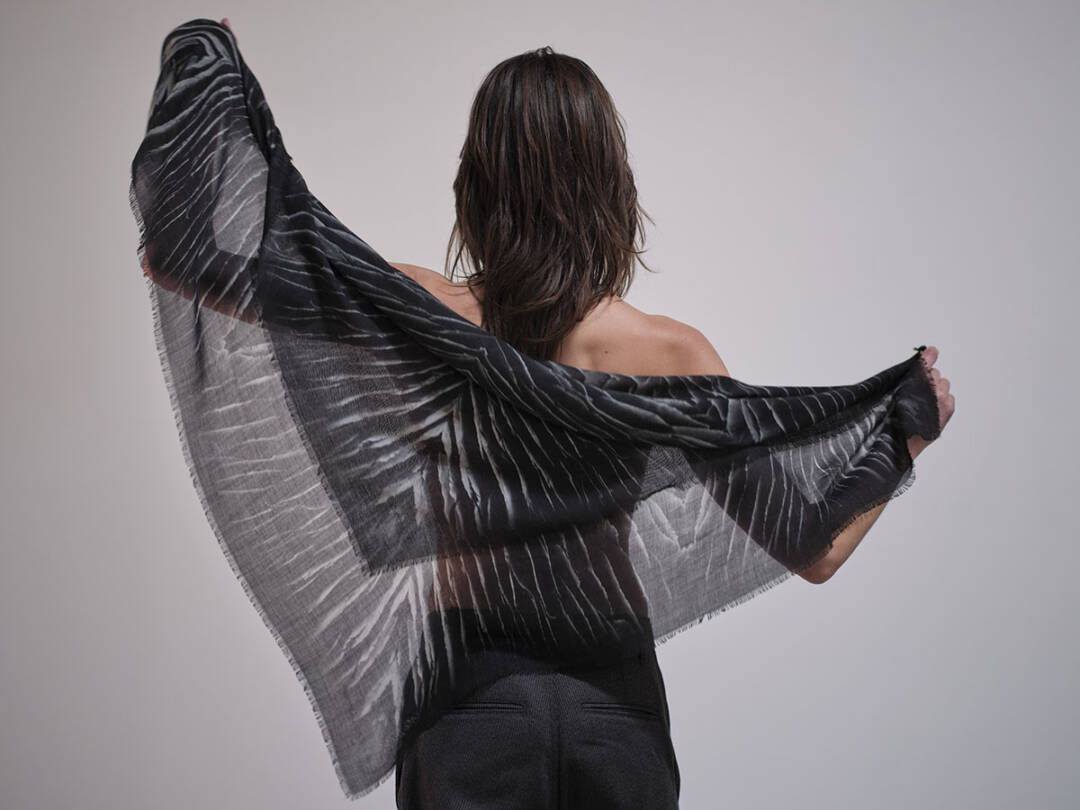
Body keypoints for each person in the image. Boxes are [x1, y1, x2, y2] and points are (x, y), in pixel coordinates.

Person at [207, 21, 953, 808]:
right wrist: (903, 437)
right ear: (609, 186)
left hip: (470, 707)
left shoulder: (417, 309)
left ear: (475, 181)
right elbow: (815, 549)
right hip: (613, 716)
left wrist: (219, 102)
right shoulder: (669, 352)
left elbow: (194, 261)